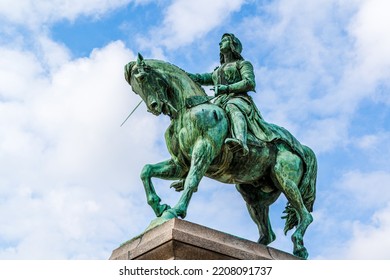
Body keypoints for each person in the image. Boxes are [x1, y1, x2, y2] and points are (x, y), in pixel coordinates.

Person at [188, 33, 258, 156]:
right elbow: (201, 78)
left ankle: (241, 141)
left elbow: (249, 82)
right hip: (219, 102)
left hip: (238, 99)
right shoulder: (217, 71)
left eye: (225, 40)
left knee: (232, 107)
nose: (220, 43)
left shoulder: (242, 64)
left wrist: (227, 88)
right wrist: (183, 74)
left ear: (233, 45)